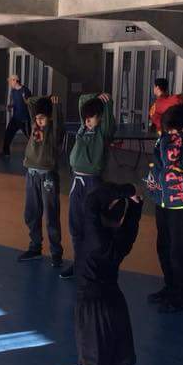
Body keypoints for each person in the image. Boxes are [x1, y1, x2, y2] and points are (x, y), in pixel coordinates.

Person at [64, 182, 142, 365]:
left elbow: (92, 200)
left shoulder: (91, 234)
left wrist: (127, 189)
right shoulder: (121, 241)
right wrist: (135, 204)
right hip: (116, 305)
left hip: (91, 307)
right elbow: (131, 224)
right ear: (119, 220)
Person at [145, 104, 183, 313]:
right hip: (163, 200)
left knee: (179, 250)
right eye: (167, 129)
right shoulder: (163, 139)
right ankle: (170, 287)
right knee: (164, 246)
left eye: (173, 129)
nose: (169, 133)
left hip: (182, 203)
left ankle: (180, 296)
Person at [60, 93, 114, 280]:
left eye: (92, 118)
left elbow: (106, 117)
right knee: (75, 225)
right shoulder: (83, 128)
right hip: (77, 182)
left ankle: (93, 265)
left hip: (93, 183)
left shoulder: (103, 132)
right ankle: (79, 263)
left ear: (100, 117)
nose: (88, 121)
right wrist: (95, 96)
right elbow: (82, 100)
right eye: (86, 118)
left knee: (93, 225)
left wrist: (106, 102)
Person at [18, 95, 65, 267]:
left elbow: (58, 124)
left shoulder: (53, 131)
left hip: (47, 177)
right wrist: (44, 99)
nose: (38, 121)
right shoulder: (35, 126)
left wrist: (55, 106)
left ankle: (56, 252)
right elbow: (31, 102)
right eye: (37, 118)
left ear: (50, 118)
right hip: (32, 175)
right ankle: (35, 247)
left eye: (42, 118)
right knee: (31, 213)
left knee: (51, 215)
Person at [1, 75, 32, 157]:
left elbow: (29, 103)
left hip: (24, 119)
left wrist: (25, 98)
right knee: (8, 134)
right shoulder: (13, 91)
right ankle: (6, 152)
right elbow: (16, 103)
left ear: (15, 80)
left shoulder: (25, 90)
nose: (9, 84)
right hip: (15, 118)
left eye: (10, 81)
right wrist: (10, 106)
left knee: (31, 137)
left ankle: (38, 153)